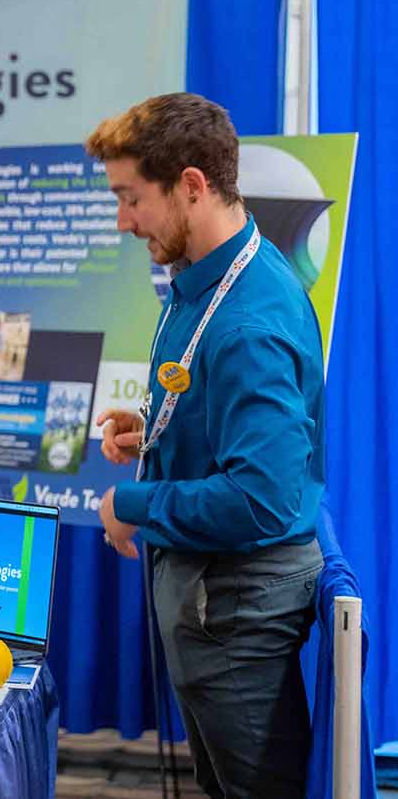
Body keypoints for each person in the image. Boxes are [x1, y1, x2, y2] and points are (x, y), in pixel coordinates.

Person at [88, 92, 325, 798]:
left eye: (133, 199)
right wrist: (158, 430)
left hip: (238, 617)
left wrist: (135, 499)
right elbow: (224, 420)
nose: (124, 220)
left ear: (192, 185)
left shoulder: (251, 318)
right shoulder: (201, 284)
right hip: (210, 610)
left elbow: (260, 497)